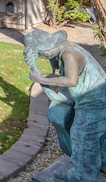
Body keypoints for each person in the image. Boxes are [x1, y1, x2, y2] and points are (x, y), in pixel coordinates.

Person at [23, 29, 106, 182]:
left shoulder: (68, 54)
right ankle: (97, 166)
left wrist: (42, 79)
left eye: (40, 54)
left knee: (82, 135)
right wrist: (35, 67)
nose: (41, 56)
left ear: (47, 50)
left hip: (95, 100)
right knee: (92, 134)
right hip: (91, 98)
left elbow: (71, 81)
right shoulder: (64, 48)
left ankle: (82, 175)